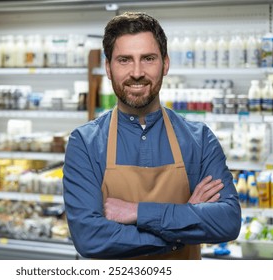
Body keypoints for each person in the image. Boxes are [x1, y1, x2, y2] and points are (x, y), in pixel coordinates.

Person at [62, 11, 241, 260]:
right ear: (108, 68)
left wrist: (138, 212)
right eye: (124, 60)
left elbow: (227, 222)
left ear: (165, 64)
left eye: (148, 58)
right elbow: (90, 238)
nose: (137, 72)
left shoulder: (199, 139)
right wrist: (182, 229)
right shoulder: (85, 142)